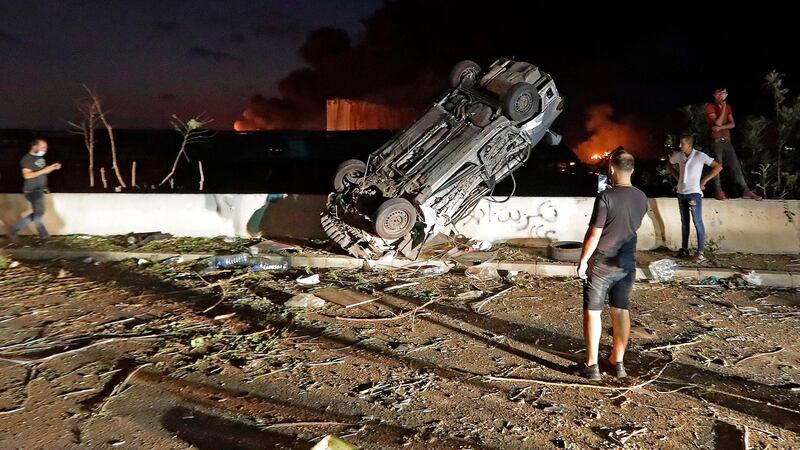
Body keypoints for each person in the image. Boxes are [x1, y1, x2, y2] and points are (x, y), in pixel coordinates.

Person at [572, 148, 648, 381]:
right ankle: (618, 361)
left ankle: (592, 365)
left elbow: (594, 234)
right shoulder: (642, 197)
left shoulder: (606, 197)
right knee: (621, 310)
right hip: (626, 262)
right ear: (632, 169)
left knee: (593, 312)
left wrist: (583, 261)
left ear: (612, 169)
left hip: (602, 263)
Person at [666, 134, 723, 263]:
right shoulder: (679, 155)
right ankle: (684, 249)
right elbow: (669, 164)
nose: (679, 146)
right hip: (681, 193)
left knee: (697, 221)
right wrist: (677, 177)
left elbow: (718, 167)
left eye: (682, 144)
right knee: (684, 222)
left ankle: (700, 252)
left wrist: (704, 181)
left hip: (694, 194)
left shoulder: (700, 156)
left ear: (689, 145)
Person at [704, 87, 761, 200]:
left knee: (735, 165)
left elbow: (732, 124)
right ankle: (718, 191)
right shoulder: (711, 106)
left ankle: (746, 190)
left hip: (727, 140)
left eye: (723, 93)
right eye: (719, 92)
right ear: (715, 94)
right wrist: (723, 107)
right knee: (718, 166)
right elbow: (718, 122)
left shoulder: (728, 107)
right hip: (716, 140)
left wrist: (720, 127)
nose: (722, 95)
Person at [6, 139, 61, 241]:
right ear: (34, 147)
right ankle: (44, 236)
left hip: (39, 189)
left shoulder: (40, 158)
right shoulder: (27, 159)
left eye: (46, 147)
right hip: (32, 191)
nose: (45, 149)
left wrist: (52, 168)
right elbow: (27, 175)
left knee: (38, 214)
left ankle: (13, 230)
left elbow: (42, 172)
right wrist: (44, 170)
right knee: (38, 215)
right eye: (42, 147)